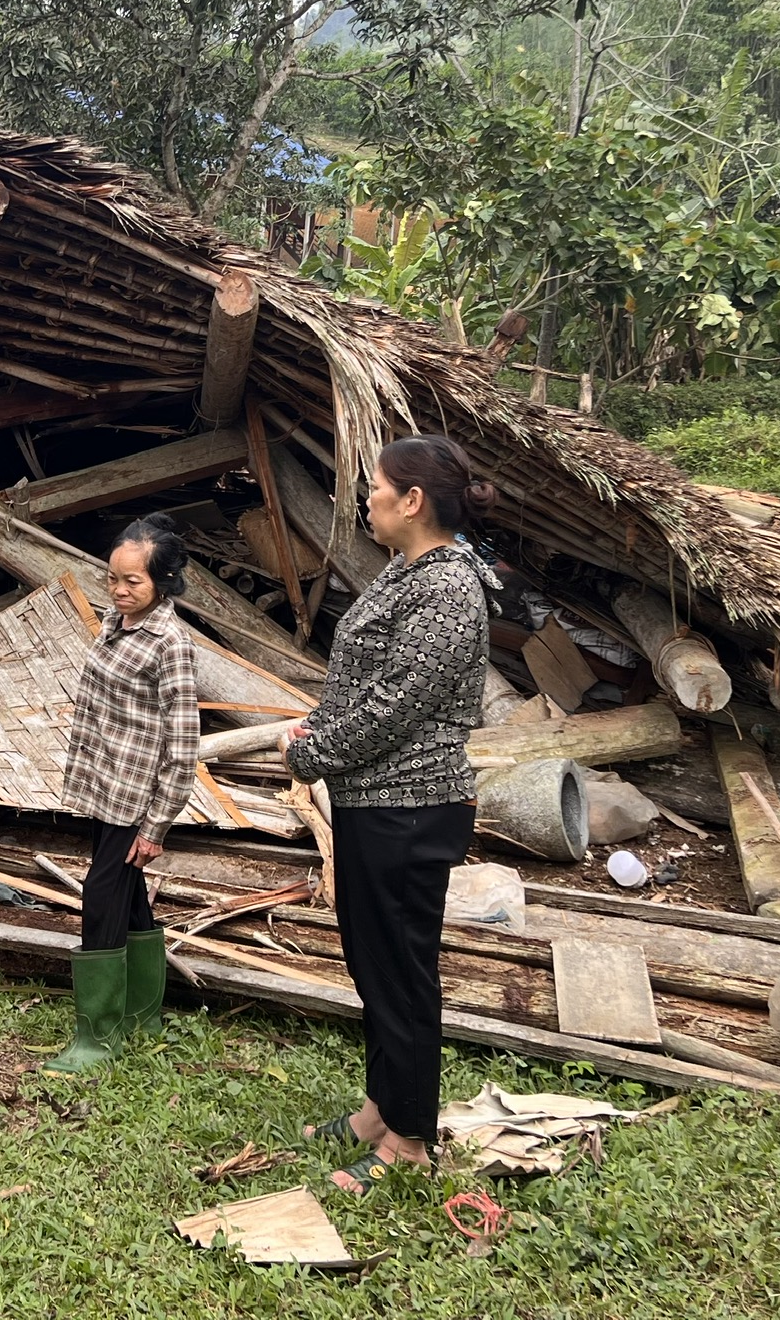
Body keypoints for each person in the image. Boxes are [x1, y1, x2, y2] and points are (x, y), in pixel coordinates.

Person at [282, 434, 496, 1195]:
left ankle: (409, 1139)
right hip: (378, 802)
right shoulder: (409, 573)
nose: (365, 497)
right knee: (373, 965)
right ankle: (381, 1109)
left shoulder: (448, 589)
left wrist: (312, 754)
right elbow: (362, 686)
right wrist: (318, 725)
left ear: (412, 501)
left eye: (375, 486)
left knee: (402, 975)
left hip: (413, 807)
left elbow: (395, 707)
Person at [45, 513, 199, 1073]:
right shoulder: (117, 621)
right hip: (104, 783)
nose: (119, 589)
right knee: (128, 892)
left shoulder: (170, 643)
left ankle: (97, 1035)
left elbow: (183, 746)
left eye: (133, 581)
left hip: (135, 796)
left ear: (165, 581)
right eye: (113, 578)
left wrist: (157, 824)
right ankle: (142, 1013)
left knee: (102, 894)